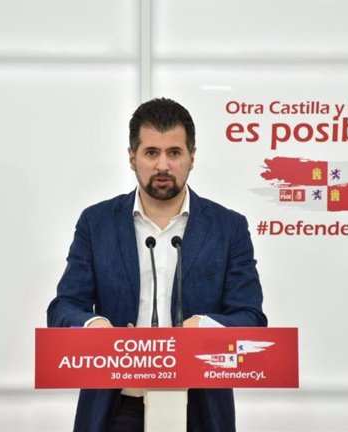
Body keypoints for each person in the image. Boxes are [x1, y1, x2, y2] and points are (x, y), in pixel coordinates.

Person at [47, 97, 267, 432]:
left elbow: (251, 319)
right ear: (132, 157)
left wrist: (205, 328)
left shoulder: (228, 227)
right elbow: (63, 309)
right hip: (116, 408)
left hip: (200, 408)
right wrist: (95, 328)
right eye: (151, 153)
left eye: (174, 153)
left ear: (192, 157)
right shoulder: (97, 223)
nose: (163, 165)